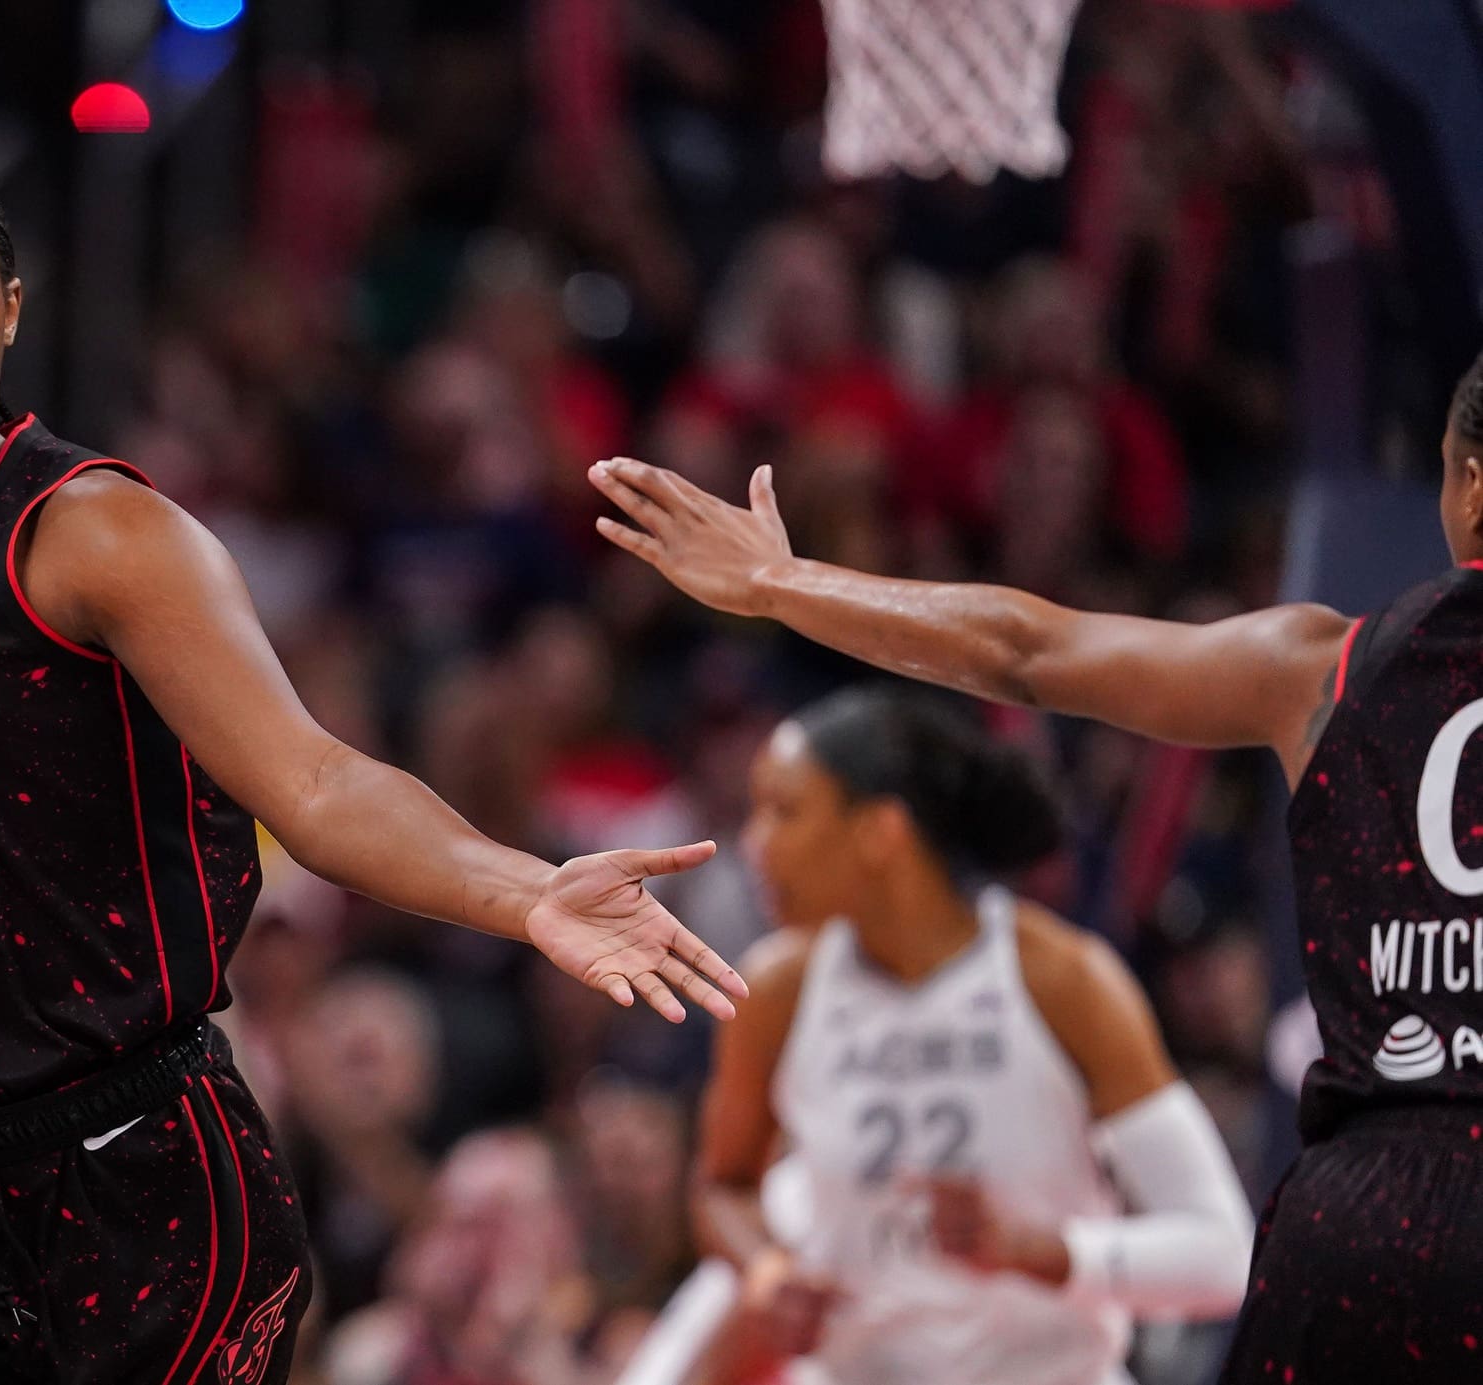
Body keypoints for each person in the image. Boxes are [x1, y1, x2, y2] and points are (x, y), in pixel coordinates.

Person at [0, 143, 748, 1385]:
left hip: (116, 1159)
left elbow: (313, 782)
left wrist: (525, 890)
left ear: (8, 307)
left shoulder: (97, 532)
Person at [587, 349, 1483, 1382]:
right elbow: (726, 1196)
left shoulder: (1321, 666)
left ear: (1464, 489)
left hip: (1365, 1221)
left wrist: (781, 582)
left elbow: (1027, 650)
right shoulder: (790, 985)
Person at [676, 689, 1250, 1385]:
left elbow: (1224, 1256)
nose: (755, 843)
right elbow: (722, 1187)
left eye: (785, 811)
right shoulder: (776, 992)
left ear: (881, 830)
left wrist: (1036, 1250)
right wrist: (767, 1269)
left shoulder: (1060, 979)